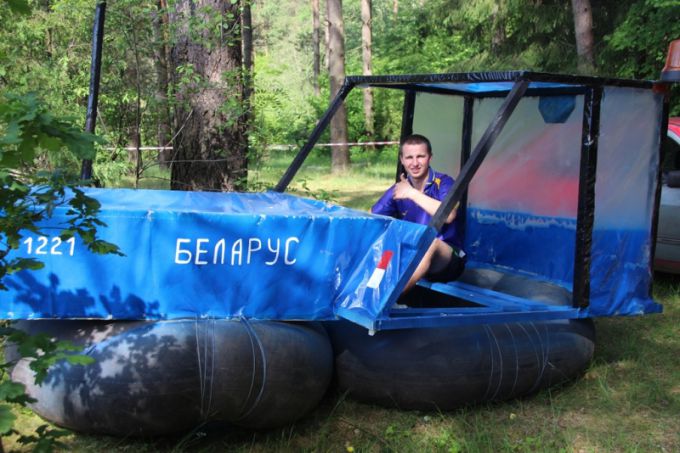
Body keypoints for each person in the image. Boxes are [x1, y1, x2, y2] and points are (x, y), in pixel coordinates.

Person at [371, 134, 465, 292]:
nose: (414, 163)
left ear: (430, 158)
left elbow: (449, 215)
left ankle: (389, 300)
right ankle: (371, 289)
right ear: (402, 159)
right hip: (411, 258)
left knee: (429, 242)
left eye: (420, 156)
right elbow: (371, 218)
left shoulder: (444, 182)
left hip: (447, 260)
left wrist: (412, 194)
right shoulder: (400, 188)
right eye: (409, 157)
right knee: (385, 239)